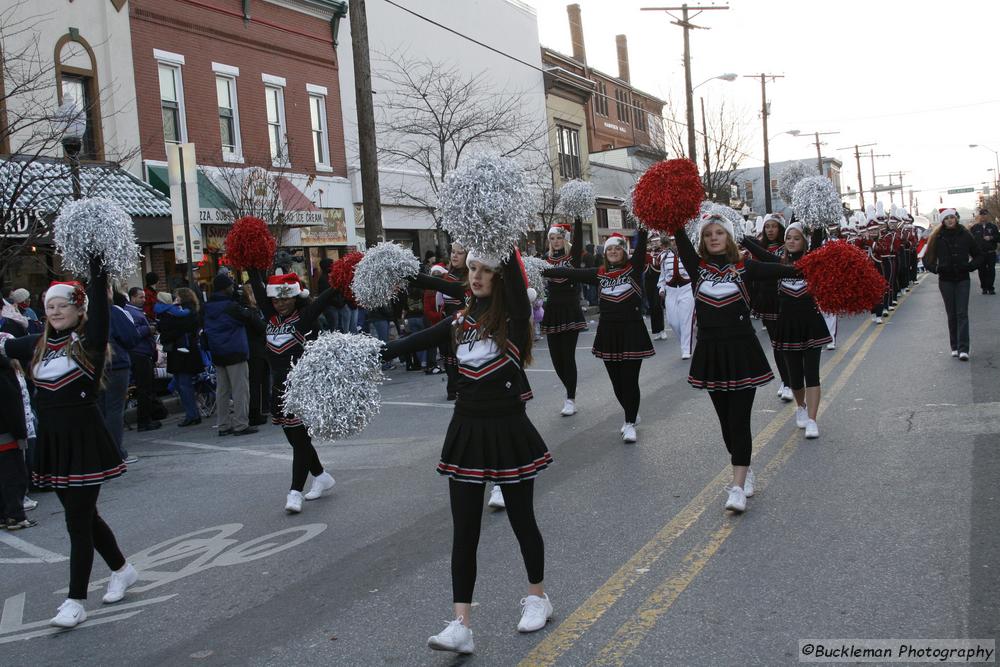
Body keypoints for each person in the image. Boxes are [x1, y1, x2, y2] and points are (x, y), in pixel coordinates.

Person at [383, 248, 552, 654]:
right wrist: (371, 354)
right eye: (472, 268)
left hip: (507, 427)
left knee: (521, 519)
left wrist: (497, 229)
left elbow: (512, 275)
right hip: (466, 429)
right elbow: (415, 340)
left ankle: (538, 597)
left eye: (486, 270)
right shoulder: (460, 321)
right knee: (465, 530)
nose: (476, 276)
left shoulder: (513, 315)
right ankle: (461, 624)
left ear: (501, 276)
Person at [0, 266, 138, 629]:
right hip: (53, 443)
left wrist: (95, 261)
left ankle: (76, 600)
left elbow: (103, 312)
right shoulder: (36, 344)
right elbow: (3, 344)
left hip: (84, 440)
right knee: (85, 517)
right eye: (50, 306)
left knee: (77, 521)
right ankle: (122, 570)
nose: (56, 311)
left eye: (63, 306)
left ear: (79, 311)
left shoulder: (89, 342)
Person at [675, 214, 800, 513]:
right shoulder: (698, 268)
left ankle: (737, 487)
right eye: (708, 235)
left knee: (739, 421)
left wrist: (825, 264)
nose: (714, 238)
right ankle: (744, 468)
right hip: (711, 353)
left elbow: (787, 269)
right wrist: (673, 211)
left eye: (720, 233)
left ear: (729, 238)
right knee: (726, 424)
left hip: (742, 351)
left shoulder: (746, 267)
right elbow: (678, 234)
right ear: (702, 241)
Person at [542, 230, 653, 443]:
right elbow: (571, 273)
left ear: (624, 252)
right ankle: (631, 410)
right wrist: (540, 269)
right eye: (609, 248)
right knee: (617, 383)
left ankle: (629, 422)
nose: (613, 251)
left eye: (617, 248)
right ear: (605, 253)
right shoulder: (599, 273)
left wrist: (642, 226)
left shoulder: (633, 269)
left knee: (629, 380)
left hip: (631, 332)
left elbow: (641, 246)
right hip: (608, 334)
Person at [249, 272, 339, 513]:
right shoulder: (271, 317)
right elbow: (257, 286)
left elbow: (326, 298)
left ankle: (294, 492)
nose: (280, 303)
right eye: (276, 300)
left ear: (296, 296)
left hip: (301, 389)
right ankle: (320, 476)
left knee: (300, 441)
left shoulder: (305, 317)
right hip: (278, 389)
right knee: (295, 440)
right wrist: (249, 263)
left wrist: (342, 280)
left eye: (286, 298)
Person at [743, 223, 831, 439]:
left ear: (804, 242)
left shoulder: (813, 260)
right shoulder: (778, 262)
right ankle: (800, 406)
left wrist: (817, 219)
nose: (791, 241)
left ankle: (812, 419)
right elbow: (760, 253)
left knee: (812, 373)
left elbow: (818, 241)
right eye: (789, 238)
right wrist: (741, 237)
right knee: (795, 377)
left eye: (796, 238)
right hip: (787, 325)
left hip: (811, 323)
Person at [923, 208, 984, 360]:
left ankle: (964, 349)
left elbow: (979, 256)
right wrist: (936, 269)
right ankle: (955, 346)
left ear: (956, 218)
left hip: (963, 279)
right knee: (952, 314)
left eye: (952, 217)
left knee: (962, 313)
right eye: (946, 218)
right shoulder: (937, 237)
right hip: (946, 281)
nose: (950, 220)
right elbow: (926, 259)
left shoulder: (965, 235)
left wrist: (969, 266)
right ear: (943, 221)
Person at [539, 221, 586, 417]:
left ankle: (570, 398)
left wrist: (577, 217)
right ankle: (570, 389)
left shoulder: (572, 258)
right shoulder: (544, 260)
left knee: (567, 357)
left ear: (564, 239)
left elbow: (578, 241)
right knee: (556, 360)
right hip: (552, 311)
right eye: (552, 238)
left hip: (570, 309)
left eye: (559, 237)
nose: (556, 241)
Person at [203, 273, 256, 436]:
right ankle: (241, 424)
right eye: (231, 286)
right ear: (226, 288)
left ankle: (223, 425)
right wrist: (246, 302)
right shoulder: (231, 306)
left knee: (222, 390)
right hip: (235, 350)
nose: (233, 288)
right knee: (240, 389)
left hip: (217, 351)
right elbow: (249, 317)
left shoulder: (208, 306)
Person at [751, 213, 793, 402]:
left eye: (774, 226)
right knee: (776, 343)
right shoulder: (759, 247)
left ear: (780, 228)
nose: (770, 230)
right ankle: (785, 381)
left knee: (788, 343)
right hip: (767, 300)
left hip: (786, 299)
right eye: (767, 226)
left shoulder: (788, 247)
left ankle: (792, 380)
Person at [101, 290, 140, 464]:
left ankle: (102, 451)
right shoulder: (112, 312)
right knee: (114, 410)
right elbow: (131, 337)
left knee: (101, 409)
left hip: (93, 366)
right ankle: (115, 453)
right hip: (115, 364)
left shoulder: (80, 313)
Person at [0, 349, 35, 529]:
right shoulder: (5, 370)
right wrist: (21, 433)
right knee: (14, 476)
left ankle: (3, 515)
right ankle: (15, 516)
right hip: (7, 434)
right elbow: (12, 405)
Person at [158, 288, 204, 425]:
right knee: (182, 383)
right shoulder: (190, 311)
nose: (174, 299)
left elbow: (174, 329)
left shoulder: (185, 313)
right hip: (185, 351)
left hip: (182, 353)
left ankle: (192, 415)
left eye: (176, 296)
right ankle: (192, 413)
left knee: (183, 384)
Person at [126, 287, 160, 432]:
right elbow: (133, 333)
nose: (144, 300)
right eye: (141, 297)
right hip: (139, 353)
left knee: (147, 387)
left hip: (145, 352)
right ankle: (144, 421)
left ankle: (148, 418)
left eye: (144, 297)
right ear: (132, 298)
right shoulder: (130, 312)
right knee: (144, 388)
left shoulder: (137, 312)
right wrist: (149, 329)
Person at [657, 235, 694, 359]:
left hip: (686, 289)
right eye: (672, 240)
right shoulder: (663, 256)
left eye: (675, 240)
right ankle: (684, 342)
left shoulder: (689, 253)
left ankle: (686, 348)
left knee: (685, 321)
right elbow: (663, 276)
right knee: (673, 322)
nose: (674, 243)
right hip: (671, 291)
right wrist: (661, 289)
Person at [241, 284, 270, 426]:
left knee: (261, 379)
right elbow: (261, 327)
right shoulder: (249, 312)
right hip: (254, 349)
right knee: (255, 381)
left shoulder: (253, 311)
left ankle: (263, 406)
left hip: (257, 348)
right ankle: (255, 411)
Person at [970, 208, 998, 294]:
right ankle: (984, 287)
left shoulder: (993, 227)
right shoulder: (975, 228)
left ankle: (991, 288)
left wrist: (991, 237)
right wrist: (971, 253)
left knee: (991, 271)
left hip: (991, 252)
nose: (983, 217)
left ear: (988, 216)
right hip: (980, 254)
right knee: (982, 271)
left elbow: (998, 237)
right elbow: (970, 241)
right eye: (982, 215)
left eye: (985, 214)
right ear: (979, 216)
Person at [643, 233, 666, 340]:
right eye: (652, 241)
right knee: (652, 306)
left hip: (658, 280)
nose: (654, 243)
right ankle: (656, 331)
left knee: (657, 305)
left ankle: (662, 329)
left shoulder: (662, 252)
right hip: (648, 281)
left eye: (656, 241)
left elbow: (658, 263)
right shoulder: (646, 252)